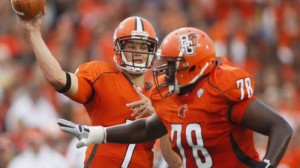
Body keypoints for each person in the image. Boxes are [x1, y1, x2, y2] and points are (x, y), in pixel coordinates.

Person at [58, 27, 293, 168]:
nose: (164, 70)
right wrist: (98, 133)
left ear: (192, 66)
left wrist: (267, 164)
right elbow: (147, 129)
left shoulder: (221, 90)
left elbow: (280, 126)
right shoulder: (174, 97)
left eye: (171, 64)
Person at [18, 8, 182, 168]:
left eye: (143, 47)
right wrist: (34, 33)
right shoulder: (101, 76)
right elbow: (58, 78)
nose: (138, 52)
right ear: (119, 48)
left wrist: (158, 117)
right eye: (132, 46)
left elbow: (175, 162)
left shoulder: (160, 92)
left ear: (152, 50)